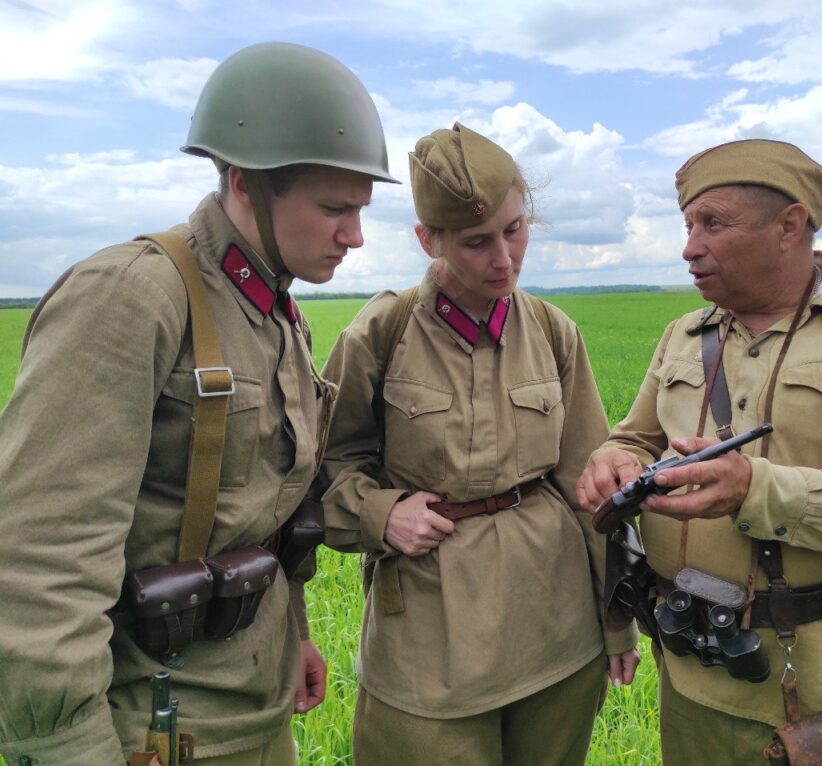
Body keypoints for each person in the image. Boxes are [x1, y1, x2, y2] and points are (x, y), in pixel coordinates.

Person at [0, 42, 397, 765]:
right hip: (150, 735)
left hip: (253, 711)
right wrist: (72, 749)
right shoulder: (133, 297)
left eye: (360, 210)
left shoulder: (277, 315)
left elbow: (264, 514)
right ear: (245, 183)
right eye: (335, 208)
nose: (355, 235)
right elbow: (37, 563)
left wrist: (295, 632)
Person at [577, 139, 822, 764]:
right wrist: (615, 458)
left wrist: (758, 490)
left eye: (713, 223)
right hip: (692, 671)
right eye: (687, 225)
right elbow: (636, 436)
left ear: (790, 226)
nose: (689, 247)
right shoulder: (683, 334)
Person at [317, 122, 639, 765]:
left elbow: (593, 488)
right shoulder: (383, 332)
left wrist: (616, 619)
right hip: (429, 642)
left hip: (556, 629)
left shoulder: (552, 329)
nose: (505, 259)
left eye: (514, 230)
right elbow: (319, 467)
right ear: (426, 240)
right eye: (476, 242)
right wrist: (381, 513)